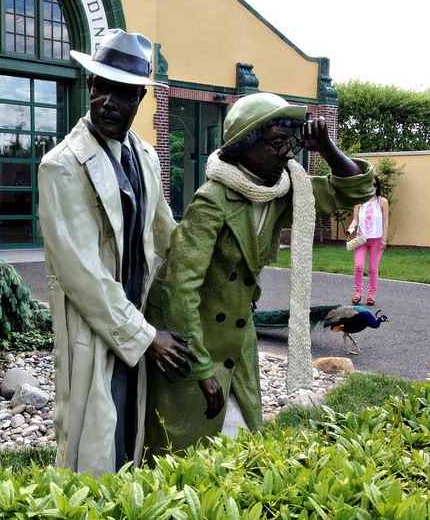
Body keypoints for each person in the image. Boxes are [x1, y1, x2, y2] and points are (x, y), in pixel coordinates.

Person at [143, 92, 375, 459]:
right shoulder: (213, 200)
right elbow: (177, 289)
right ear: (246, 145)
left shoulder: (284, 190)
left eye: (291, 141)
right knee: (183, 449)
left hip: (237, 333)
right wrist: (201, 370)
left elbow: (353, 191)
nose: (289, 153)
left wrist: (327, 147)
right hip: (190, 338)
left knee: (241, 441)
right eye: (278, 143)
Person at [38, 29, 197, 477]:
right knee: (90, 441)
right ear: (90, 87)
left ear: (140, 99)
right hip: (93, 327)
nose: (107, 101)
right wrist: (146, 337)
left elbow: (168, 234)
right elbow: (82, 273)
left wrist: (213, 271)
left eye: (123, 92)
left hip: (138, 317)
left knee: (130, 431)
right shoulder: (62, 165)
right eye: (100, 87)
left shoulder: (145, 155)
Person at [348, 175, 389, 306]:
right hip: (361, 238)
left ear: (378, 186)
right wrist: (351, 227)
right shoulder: (359, 202)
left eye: (375, 185)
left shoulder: (382, 202)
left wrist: (384, 238)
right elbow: (356, 219)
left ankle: (371, 295)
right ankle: (358, 293)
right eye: (370, 184)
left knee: (373, 268)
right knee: (358, 266)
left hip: (377, 239)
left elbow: (385, 221)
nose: (372, 187)